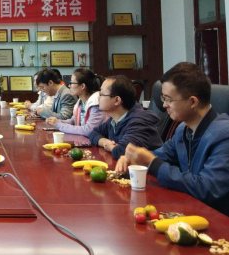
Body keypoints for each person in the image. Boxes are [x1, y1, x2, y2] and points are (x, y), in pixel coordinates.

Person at [115, 62, 229, 216]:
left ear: (193, 102)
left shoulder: (224, 135)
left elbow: (207, 189)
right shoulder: (183, 129)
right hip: (189, 210)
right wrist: (135, 159)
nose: (164, 105)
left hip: (217, 220)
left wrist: (151, 162)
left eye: (169, 99)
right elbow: (160, 155)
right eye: (163, 98)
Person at [89, 75, 162, 159]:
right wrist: (105, 142)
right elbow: (93, 133)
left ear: (117, 100)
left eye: (101, 94)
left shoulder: (138, 122)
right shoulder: (114, 119)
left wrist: (110, 147)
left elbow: (124, 152)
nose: (98, 97)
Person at [45, 69, 108, 137]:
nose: (69, 86)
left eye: (71, 83)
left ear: (82, 86)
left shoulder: (96, 104)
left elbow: (88, 130)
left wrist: (59, 125)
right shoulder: (81, 102)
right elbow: (73, 121)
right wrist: (57, 121)